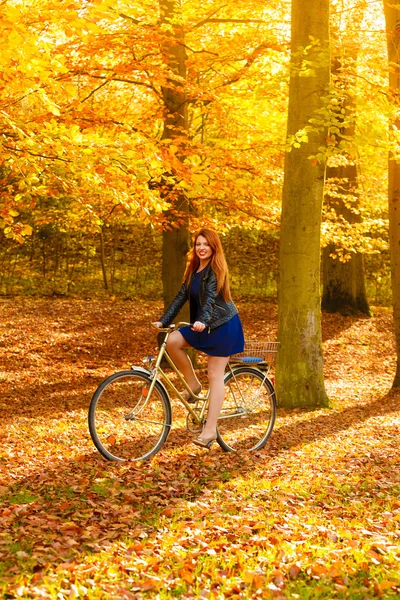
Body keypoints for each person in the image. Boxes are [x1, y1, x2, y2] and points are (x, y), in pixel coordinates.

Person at [153, 228, 244, 450]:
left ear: (214, 247)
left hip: (222, 325)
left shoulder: (215, 270)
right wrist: (164, 321)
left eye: (206, 244)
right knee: (173, 341)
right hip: (203, 325)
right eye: (198, 244)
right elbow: (180, 297)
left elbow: (211, 299)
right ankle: (193, 384)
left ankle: (210, 430)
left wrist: (202, 320)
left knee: (215, 374)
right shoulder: (193, 269)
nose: (201, 248)